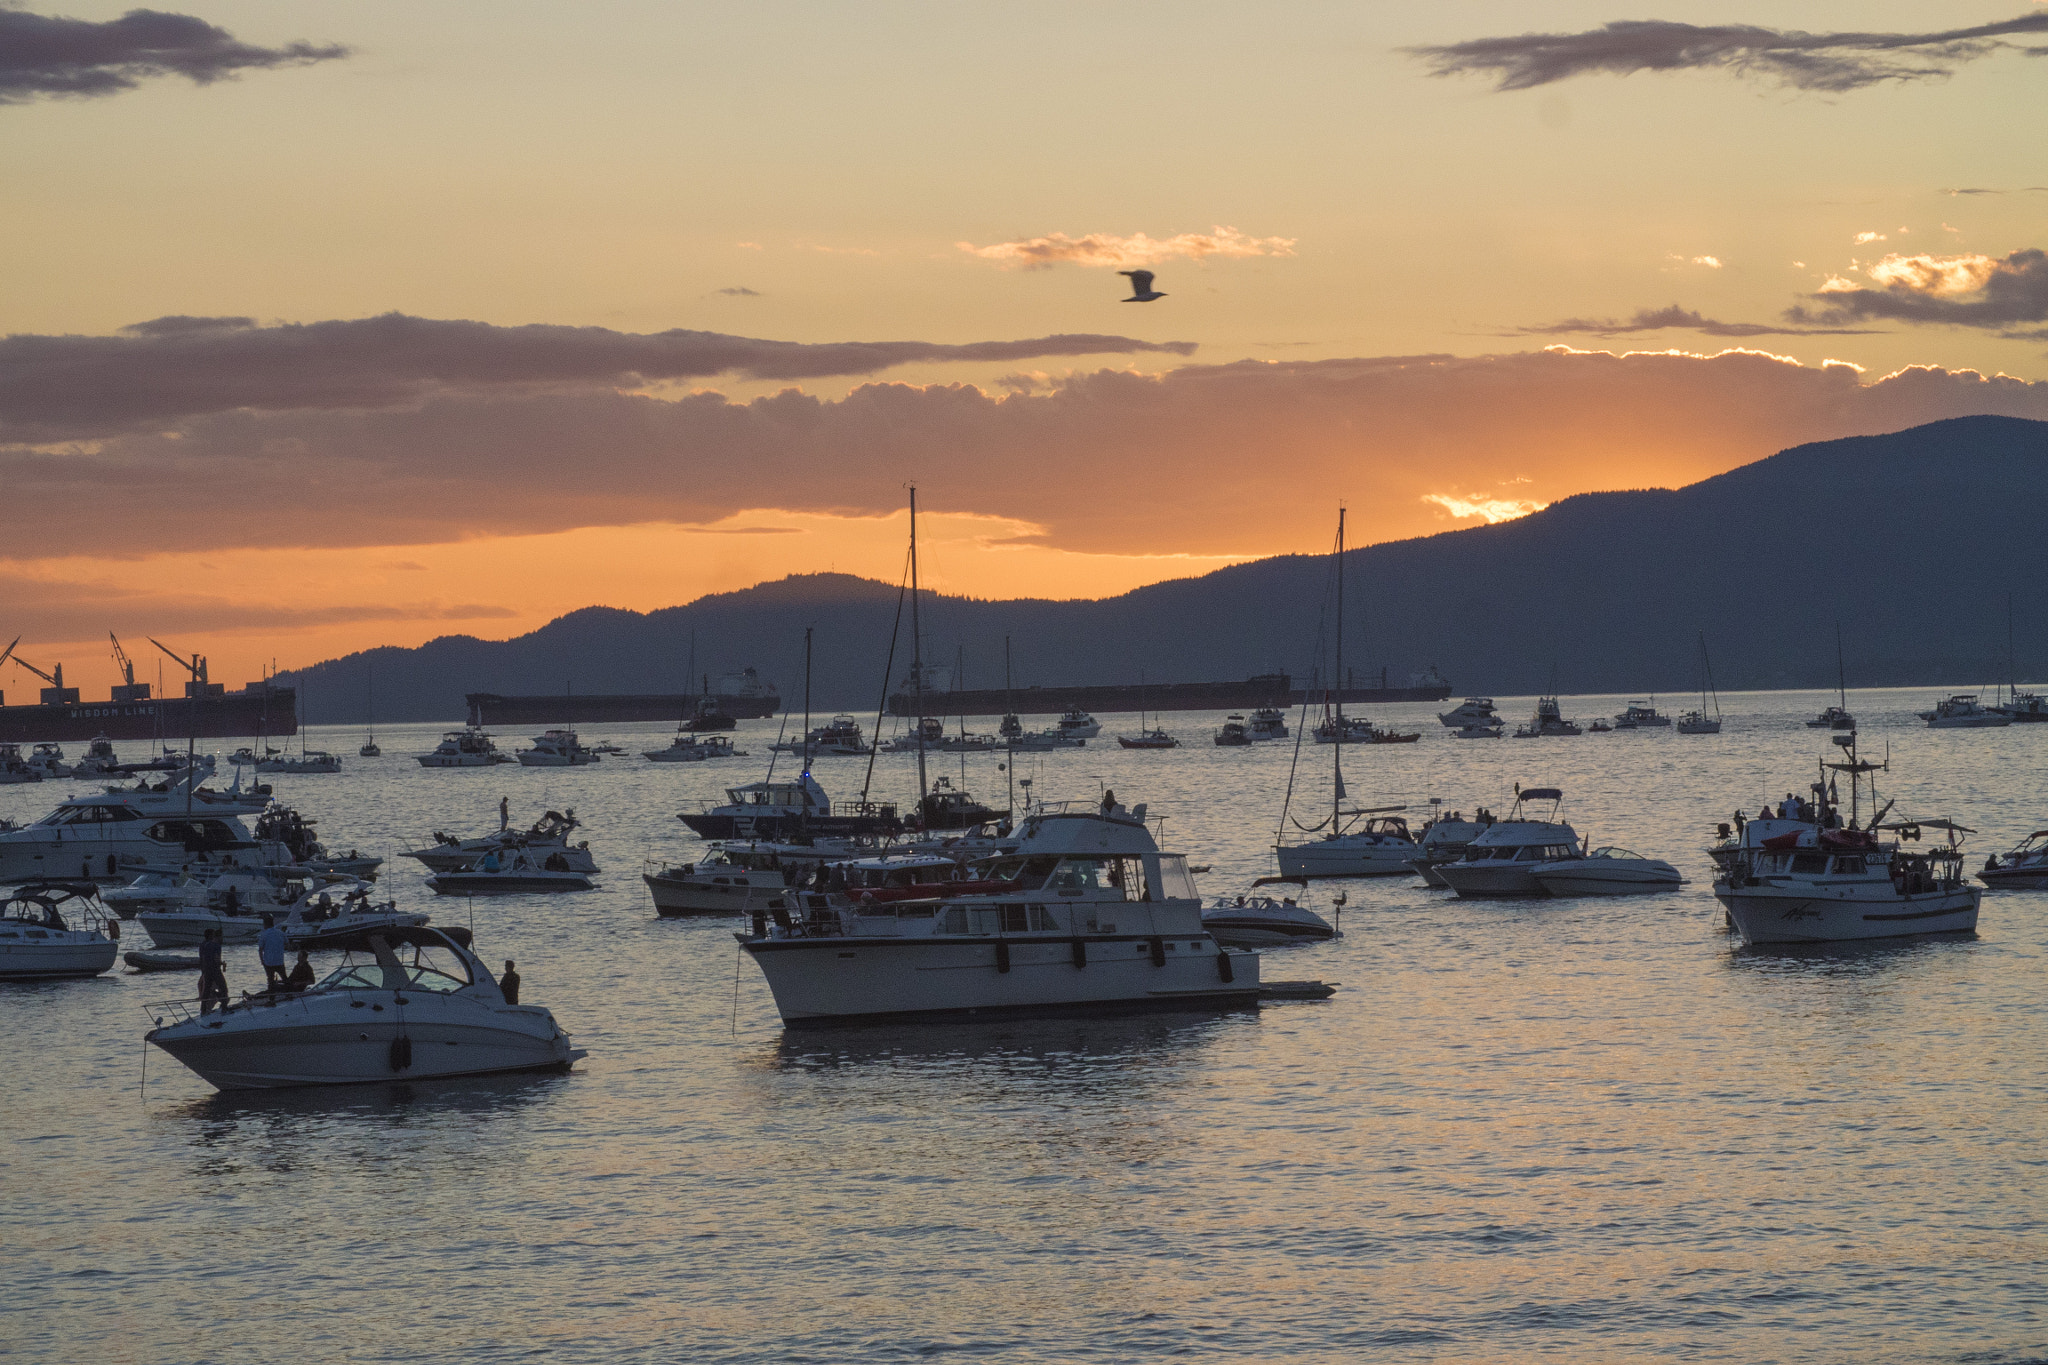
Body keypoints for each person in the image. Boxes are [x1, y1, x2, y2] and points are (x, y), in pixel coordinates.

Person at [197, 928, 228, 1015]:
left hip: (206, 970)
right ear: (211, 935)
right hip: (215, 970)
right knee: (223, 988)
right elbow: (216, 958)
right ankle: (224, 1009)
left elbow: (201, 959)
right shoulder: (216, 945)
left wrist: (203, 970)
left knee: (206, 990)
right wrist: (222, 964)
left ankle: (203, 1010)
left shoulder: (202, 945)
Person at [257, 914, 288, 990]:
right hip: (279, 960)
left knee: (270, 980)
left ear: (266, 924)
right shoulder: (281, 933)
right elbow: (287, 943)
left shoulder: (264, 935)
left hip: (269, 962)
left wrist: (262, 961)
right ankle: (289, 994)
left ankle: (271, 997)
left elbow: (260, 949)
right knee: (284, 978)